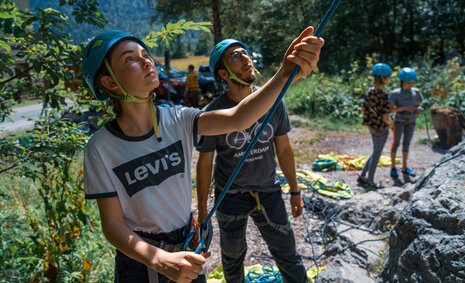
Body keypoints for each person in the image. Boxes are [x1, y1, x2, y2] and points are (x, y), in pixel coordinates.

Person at [81, 28, 324, 283]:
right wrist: (158, 259)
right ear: (109, 82)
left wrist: (285, 74)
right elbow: (112, 226)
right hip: (139, 263)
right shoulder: (101, 148)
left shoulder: (177, 120)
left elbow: (239, 117)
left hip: (187, 246)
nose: (146, 61)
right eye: (130, 58)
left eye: (145, 54)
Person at [196, 38, 307, 282]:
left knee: (288, 253)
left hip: (268, 190)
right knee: (233, 257)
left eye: (246, 53)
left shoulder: (274, 101)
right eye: (236, 56)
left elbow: (284, 149)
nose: (246, 58)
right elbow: (204, 164)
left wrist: (295, 191)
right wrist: (203, 210)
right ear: (224, 73)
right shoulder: (213, 113)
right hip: (230, 196)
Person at [358, 63, 393, 190]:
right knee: (377, 153)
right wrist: (392, 124)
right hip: (380, 128)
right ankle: (370, 181)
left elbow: (363, 109)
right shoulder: (383, 95)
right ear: (384, 78)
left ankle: (362, 176)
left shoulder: (369, 92)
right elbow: (385, 116)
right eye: (388, 77)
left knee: (375, 151)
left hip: (371, 126)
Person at [389, 67, 423, 177]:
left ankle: (404, 167)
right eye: (408, 82)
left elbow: (418, 105)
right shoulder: (395, 93)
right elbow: (390, 109)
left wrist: (419, 109)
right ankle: (393, 167)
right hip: (398, 120)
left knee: (406, 143)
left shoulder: (416, 92)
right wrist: (405, 108)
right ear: (402, 81)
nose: (410, 84)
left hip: (411, 121)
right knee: (396, 143)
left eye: (412, 82)